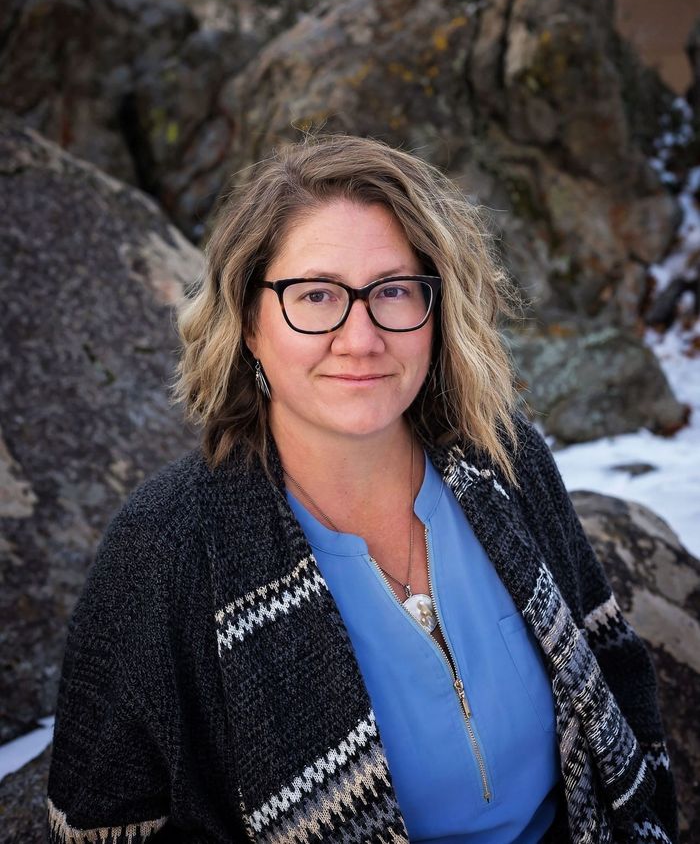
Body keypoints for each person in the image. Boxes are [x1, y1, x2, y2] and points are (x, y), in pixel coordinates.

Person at [46, 135, 678, 844]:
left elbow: (611, 668)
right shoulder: (167, 546)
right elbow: (101, 825)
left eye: (394, 291)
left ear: (436, 313)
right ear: (249, 322)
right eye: (315, 295)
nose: (362, 336)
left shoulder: (506, 462)